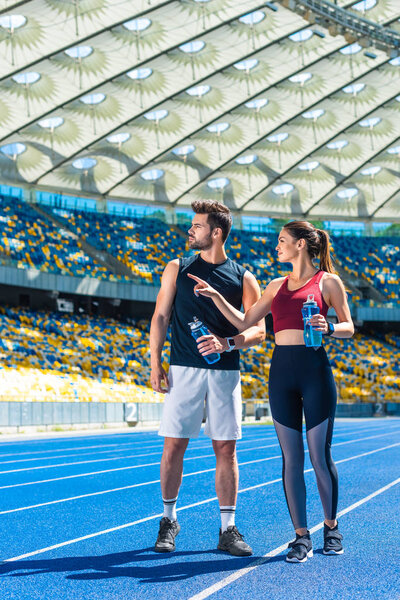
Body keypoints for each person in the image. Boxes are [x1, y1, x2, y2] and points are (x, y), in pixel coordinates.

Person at [188, 220, 354, 563]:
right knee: (291, 459)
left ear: (301, 245)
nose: (276, 246)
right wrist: (217, 296)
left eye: (282, 241)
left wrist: (331, 327)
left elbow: (350, 327)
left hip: (315, 372)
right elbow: (245, 321)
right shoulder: (276, 285)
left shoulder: (329, 282)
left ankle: (331, 527)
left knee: (320, 457)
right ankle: (301, 537)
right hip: (281, 375)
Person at [150, 200, 265, 556]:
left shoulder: (243, 277)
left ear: (216, 232)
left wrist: (228, 342)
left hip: (225, 372)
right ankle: (168, 520)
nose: (190, 231)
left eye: (197, 226)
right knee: (173, 447)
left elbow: (259, 330)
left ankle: (228, 529)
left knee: (226, 449)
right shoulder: (177, 267)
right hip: (182, 369)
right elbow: (160, 317)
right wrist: (155, 363)